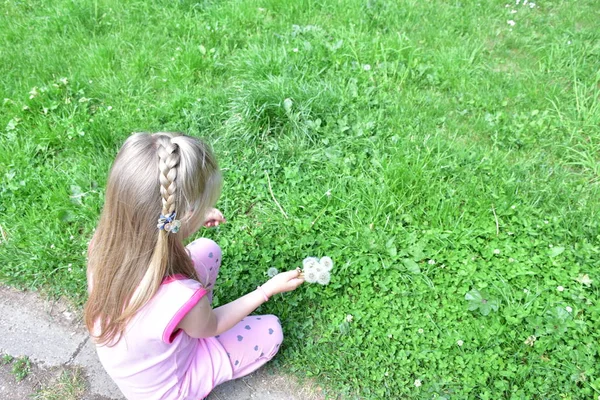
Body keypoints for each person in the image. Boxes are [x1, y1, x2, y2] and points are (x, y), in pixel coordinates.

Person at [84, 132, 304, 400]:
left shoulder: (103, 246)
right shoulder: (178, 295)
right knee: (271, 330)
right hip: (169, 388)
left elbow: (158, 230)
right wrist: (266, 290)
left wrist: (194, 220)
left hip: (136, 359)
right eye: (201, 208)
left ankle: (188, 322)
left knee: (207, 250)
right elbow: (212, 325)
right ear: (183, 215)